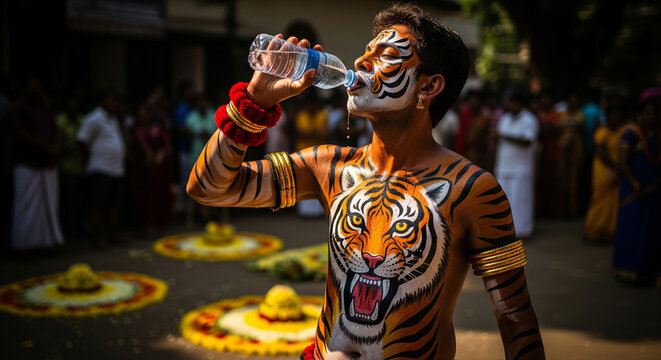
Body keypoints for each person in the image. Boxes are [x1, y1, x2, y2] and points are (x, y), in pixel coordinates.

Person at [187, 4, 544, 359]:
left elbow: (515, 319)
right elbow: (209, 187)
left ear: (429, 86)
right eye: (366, 51)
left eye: (386, 55)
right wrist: (252, 104)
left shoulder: (471, 190)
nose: (360, 62)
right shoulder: (330, 166)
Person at [10, 77, 64, 250]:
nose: (36, 87)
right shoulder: (18, 108)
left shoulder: (45, 107)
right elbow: (21, 133)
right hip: (27, 161)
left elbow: (54, 128)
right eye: (32, 84)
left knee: (47, 205)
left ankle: (47, 241)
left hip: (46, 162)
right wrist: (47, 147)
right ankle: (24, 244)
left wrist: (54, 147)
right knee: (26, 205)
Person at [613, 99, 661, 285]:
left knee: (652, 230)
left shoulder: (657, 134)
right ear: (640, 115)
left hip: (654, 189)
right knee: (633, 227)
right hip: (634, 190)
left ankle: (650, 271)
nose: (652, 117)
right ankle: (628, 268)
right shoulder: (631, 134)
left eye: (654, 113)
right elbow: (623, 162)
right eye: (648, 113)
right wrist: (634, 183)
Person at [77, 90, 126, 248]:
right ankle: (96, 238)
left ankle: (113, 234)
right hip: (100, 168)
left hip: (116, 169)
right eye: (111, 101)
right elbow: (82, 140)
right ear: (102, 102)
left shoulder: (113, 119)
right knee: (97, 205)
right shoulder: (93, 118)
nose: (114, 105)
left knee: (113, 204)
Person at [494, 91, 539, 240]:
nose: (508, 106)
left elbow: (527, 141)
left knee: (521, 201)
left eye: (511, 103)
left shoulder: (529, 120)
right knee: (504, 202)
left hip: (521, 168)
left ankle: (523, 231)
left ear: (518, 104)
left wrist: (504, 136)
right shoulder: (504, 119)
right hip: (503, 167)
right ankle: (506, 231)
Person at [583, 105, 626, 243]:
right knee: (601, 198)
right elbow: (601, 153)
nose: (617, 118)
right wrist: (615, 167)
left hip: (616, 167)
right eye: (615, 115)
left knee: (614, 199)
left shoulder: (623, 131)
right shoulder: (602, 132)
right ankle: (595, 229)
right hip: (604, 169)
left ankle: (610, 230)